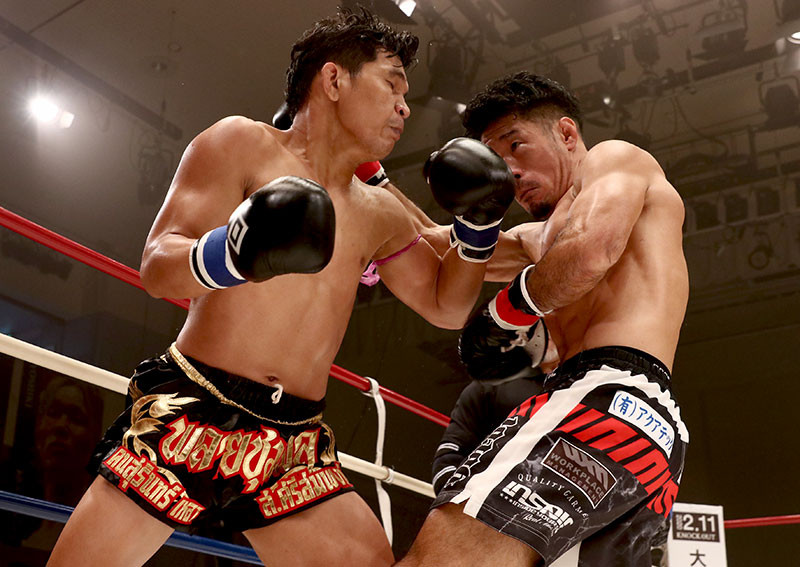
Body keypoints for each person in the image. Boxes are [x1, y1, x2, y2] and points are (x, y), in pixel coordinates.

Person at [48, 9, 519, 567]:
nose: (404, 106)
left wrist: (478, 230)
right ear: (334, 79)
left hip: (293, 445)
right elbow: (157, 265)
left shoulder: (381, 212)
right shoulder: (242, 144)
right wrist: (232, 254)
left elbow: (446, 306)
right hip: (191, 410)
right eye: (392, 84)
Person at [396, 72, 690, 567]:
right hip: (651, 435)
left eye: (518, 146)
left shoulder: (617, 159)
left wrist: (506, 312)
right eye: (496, 161)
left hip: (601, 397)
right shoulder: (540, 237)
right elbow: (430, 244)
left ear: (567, 134)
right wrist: (366, 182)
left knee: (439, 559)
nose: (509, 171)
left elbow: (592, 252)